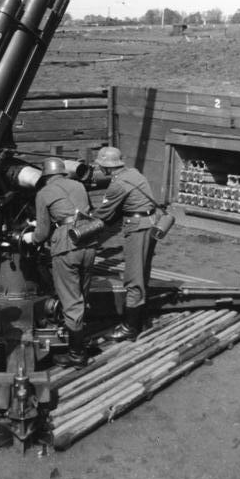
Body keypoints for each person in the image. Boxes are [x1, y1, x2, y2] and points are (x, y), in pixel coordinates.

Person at [22, 156, 96, 369]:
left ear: (45, 176)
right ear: (63, 173)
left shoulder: (43, 193)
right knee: (82, 293)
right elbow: (78, 212)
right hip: (88, 240)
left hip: (66, 247)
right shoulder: (79, 185)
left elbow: (42, 234)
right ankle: (81, 336)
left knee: (71, 300)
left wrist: (31, 238)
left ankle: (77, 354)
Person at [92, 146, 158, 342]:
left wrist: (81, 220)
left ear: (105, 168)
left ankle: (130, 327)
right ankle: (142, 320)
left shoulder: (117, 185)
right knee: (143, 273)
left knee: (132, 277)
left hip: (136, 228)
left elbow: (103, 214)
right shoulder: (134, 173)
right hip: (150, 224)